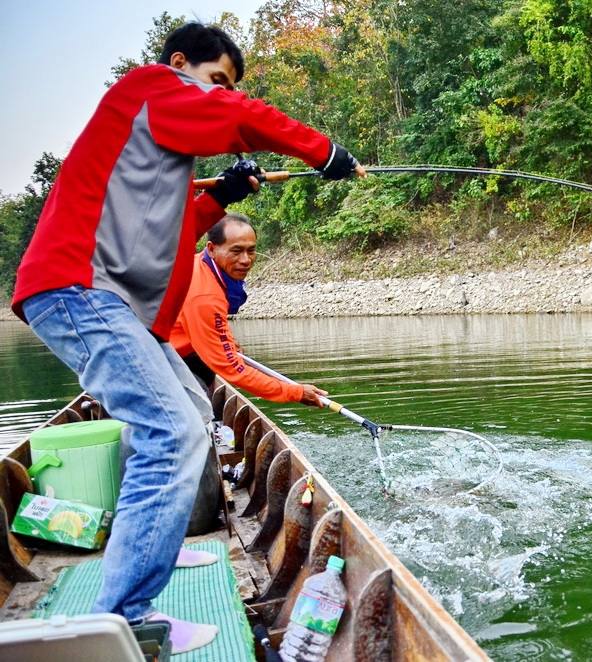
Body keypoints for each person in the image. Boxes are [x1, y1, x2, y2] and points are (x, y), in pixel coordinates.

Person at [11, 23, 365, 653]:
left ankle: (147, 557)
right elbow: (237, 115)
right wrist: (323, 152)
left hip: (97, 298)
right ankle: (121, 618)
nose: (222, 93)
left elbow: (157, 223)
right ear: (181, 63)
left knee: (194, 413)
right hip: (79, 289)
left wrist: (217, 199)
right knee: (170, 431)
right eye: (217, 79)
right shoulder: (150, 86)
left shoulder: (151, 140)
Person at [170, 213, 327, 404]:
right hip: (158, 361)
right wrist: (295, 392)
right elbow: (232, 369)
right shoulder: (204, 296)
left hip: (175, 352)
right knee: (197, 419)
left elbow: (207, 327)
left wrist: (229, 344)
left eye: (251, 251)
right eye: (236, 251)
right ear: (211, 249)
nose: (245, 260)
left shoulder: (202, 264)